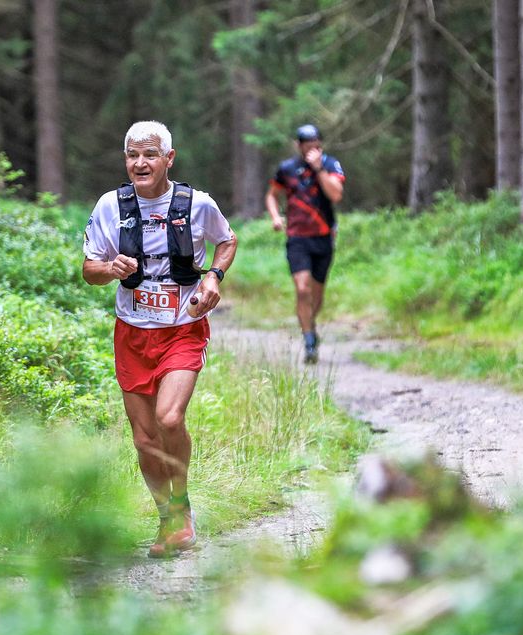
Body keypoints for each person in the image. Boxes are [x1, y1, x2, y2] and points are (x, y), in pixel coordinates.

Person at [82, 120, 238, 558]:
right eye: (132, 155)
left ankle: (182, 509)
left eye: (149, 154)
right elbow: (89, 269)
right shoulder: (111, 206)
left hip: (182, 329)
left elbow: (227, 241)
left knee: (170, 419)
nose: (140, 163)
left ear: (169, 158)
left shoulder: (197, 204)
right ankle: (166, 518)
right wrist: (110, 268)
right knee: (144, 438)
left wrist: (213, 277)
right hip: (132, 333)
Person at [264, 124, 346, 364]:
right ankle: (309, 339)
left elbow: (336, 195)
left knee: (317, 294)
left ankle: (310, 325)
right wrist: (275, 217)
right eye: (308, 146)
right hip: (297, 237)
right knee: (302, 289)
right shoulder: (287, 169)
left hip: (323, 237)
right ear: (299, 146)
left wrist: (318, 168)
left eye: (316, 146)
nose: (313, 150)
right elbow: (271, 194)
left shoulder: (331, 165)